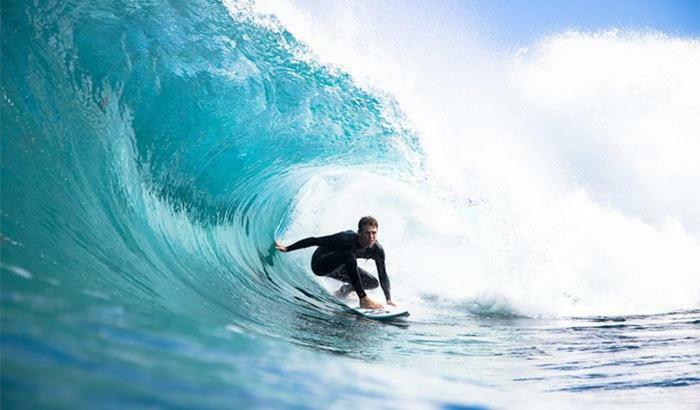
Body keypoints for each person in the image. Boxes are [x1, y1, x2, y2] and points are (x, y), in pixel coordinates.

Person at [275, 216, 395, 310]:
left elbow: (382, 273)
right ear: (359, 232)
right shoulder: (345, 239)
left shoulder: (377, 250)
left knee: (372, 283)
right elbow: (314, 240)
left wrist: (388, 299)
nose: (371, 237)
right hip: (320, 263)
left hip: (341, 266)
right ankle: (363, 298)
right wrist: (287, 248)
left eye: (374, 233)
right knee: (349, 256)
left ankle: (344, 291)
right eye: (367, 233)